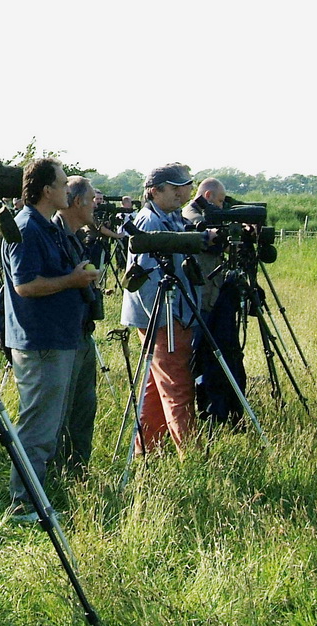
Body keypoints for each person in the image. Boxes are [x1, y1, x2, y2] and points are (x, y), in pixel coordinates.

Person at [0, 158, 99, 522]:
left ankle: (43, 490)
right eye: (61, 183)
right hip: (40, 342)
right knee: (37, 426)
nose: (66, 190)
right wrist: (71, 281)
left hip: (59, 337)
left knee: (52, 423)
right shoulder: (26, 228)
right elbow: (25, 285)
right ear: (47, 190)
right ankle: (23, 503)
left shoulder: (46, 227)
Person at [121, 162, 199, 457]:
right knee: (177, 385)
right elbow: (146, 281)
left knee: (157, 385)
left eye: (186, 186)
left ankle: (147, 449)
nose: (183, 193)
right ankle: (190, 455)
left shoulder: (171, 217)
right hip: (164, 316)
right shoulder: (149, 222)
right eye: (176, 188)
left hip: (172, 313)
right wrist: (169, 319)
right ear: (154, 191)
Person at [182, 177, 245, 426]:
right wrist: (225, 234)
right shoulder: (192, 216)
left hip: (211, 295)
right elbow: (207, 237)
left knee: (214, 354)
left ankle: (216, 406)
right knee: (197, 356)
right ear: (207, 197)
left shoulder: (206, 215)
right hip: (198, 298)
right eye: (219, 201)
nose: (221, 207)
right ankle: (200, 409)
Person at [53, 176, 106, 472]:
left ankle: (76, 472)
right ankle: (51, 477)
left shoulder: (74, 236)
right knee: (60, 411)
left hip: (82, 334)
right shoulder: (54, 235)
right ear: (76, 202)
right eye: (92, 202)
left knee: (85, 408)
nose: (95, 208)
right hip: (63, 337)